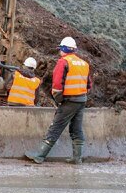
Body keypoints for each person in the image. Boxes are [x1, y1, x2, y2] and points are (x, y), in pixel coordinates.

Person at [25, 36, 91, 165]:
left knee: (55, 127)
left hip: (69, 101)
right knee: (77, 129)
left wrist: (59, 100)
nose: (59, 52)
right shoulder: (84, 64)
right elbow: (89, 85)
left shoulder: (63, 62)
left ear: (64, 49)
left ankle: (39, 156)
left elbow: (57, 85)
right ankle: (77, 158)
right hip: (81, 100)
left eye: (60, 49)